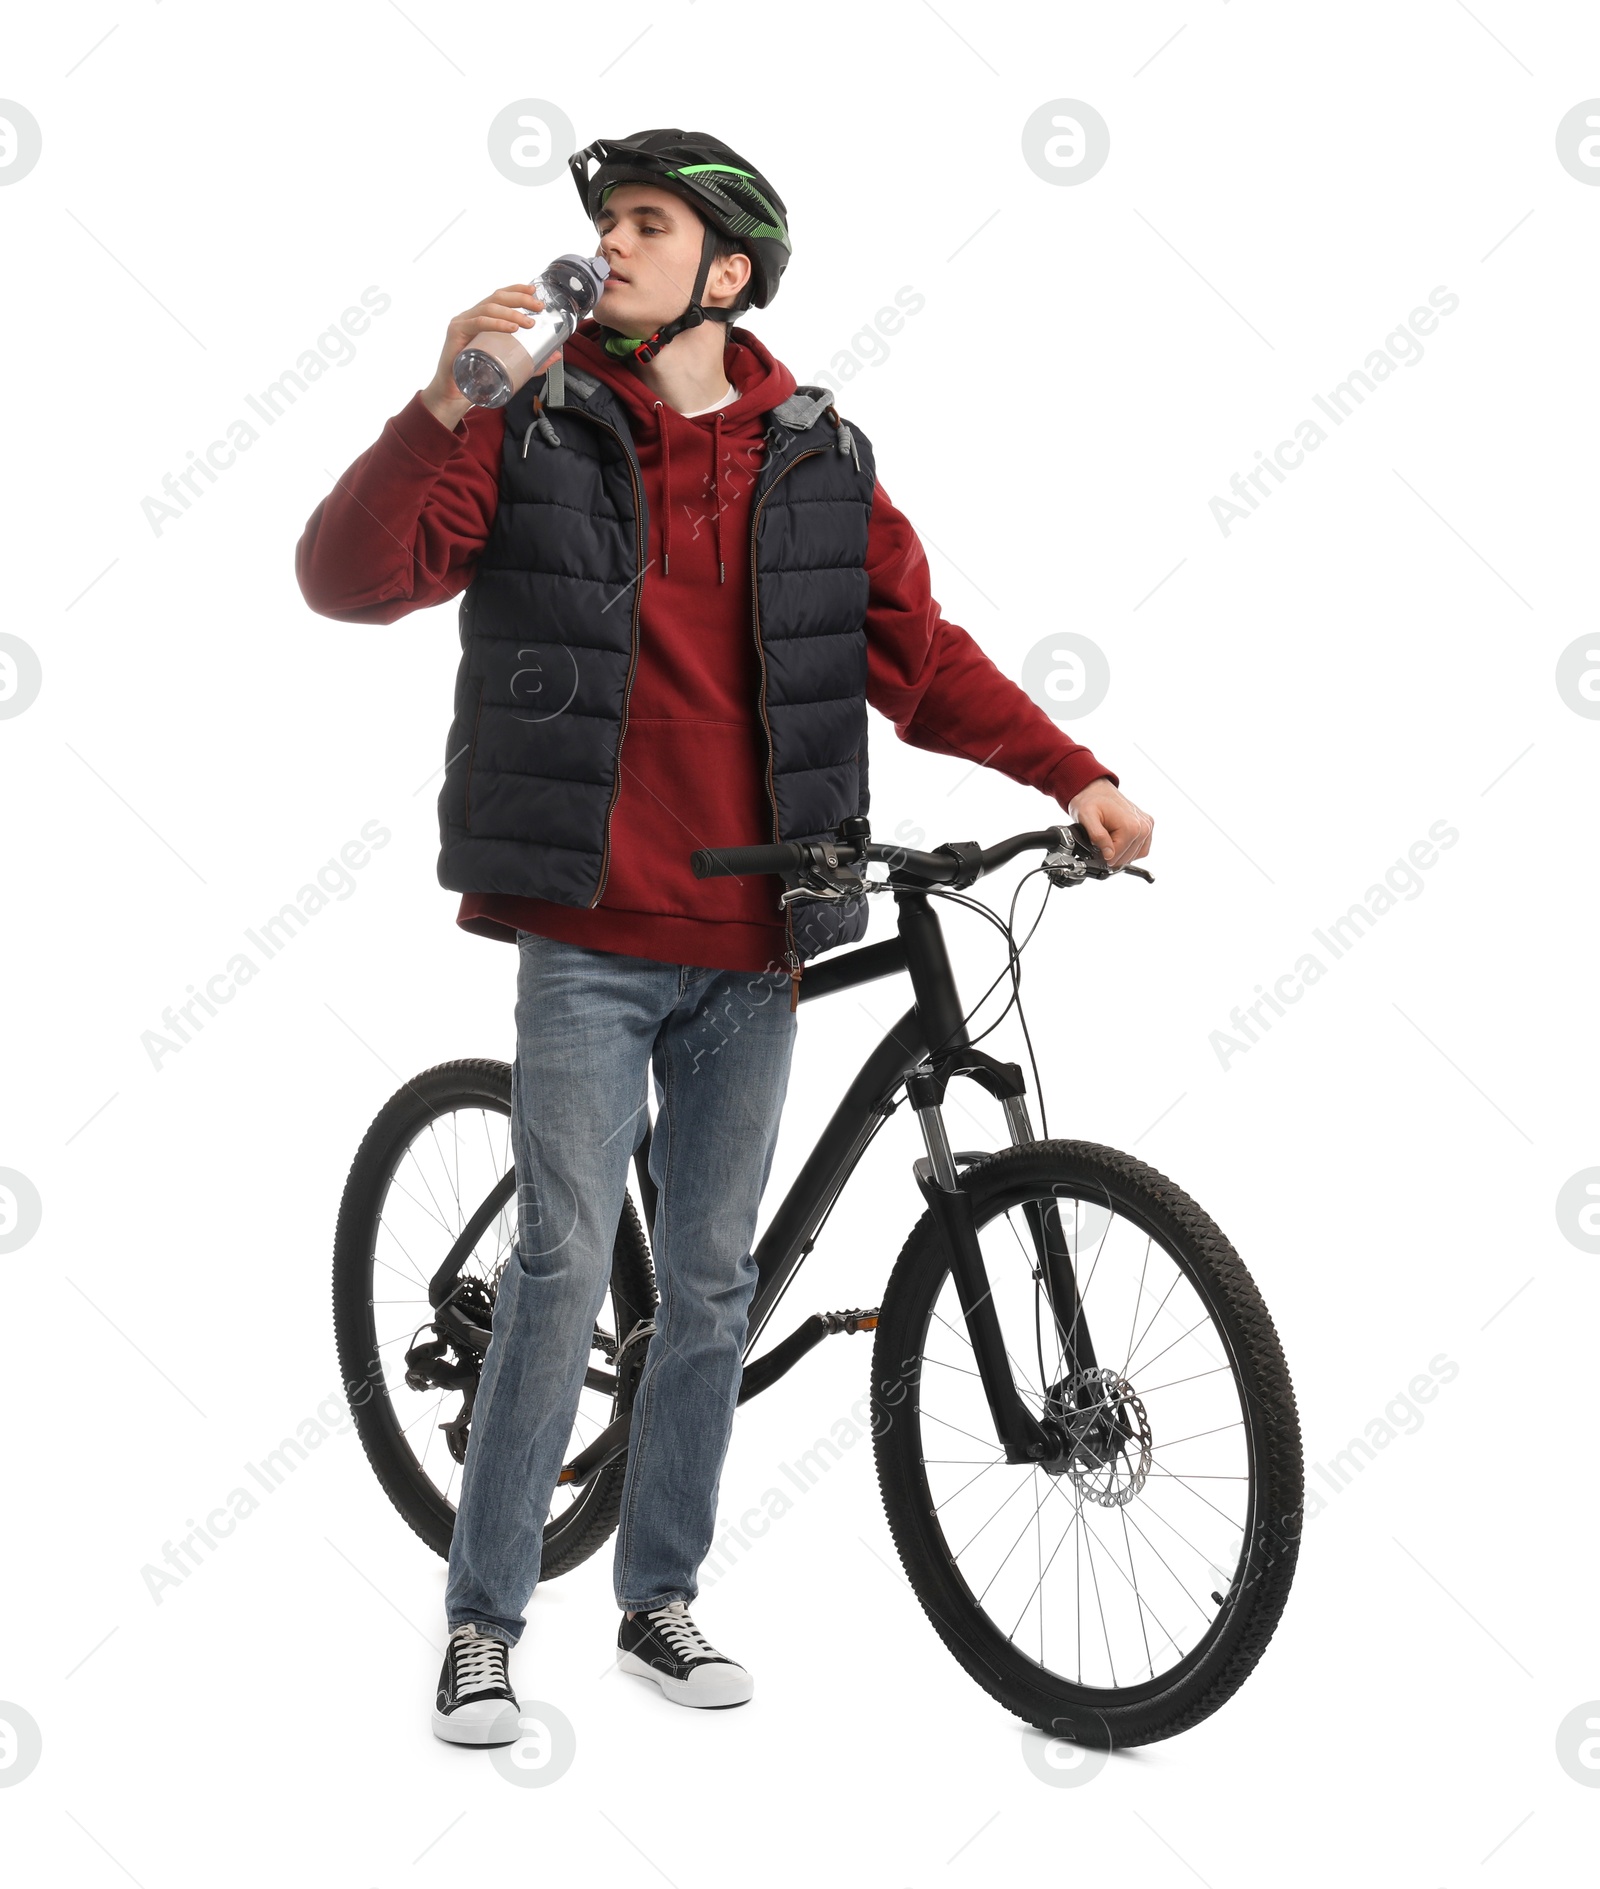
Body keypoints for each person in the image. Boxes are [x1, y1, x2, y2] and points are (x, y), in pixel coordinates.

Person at [295, 127, 1153, 1741]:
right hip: (591, 926)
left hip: (759, 932)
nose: (609, 246)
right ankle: (484, 1618)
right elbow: (345, 580)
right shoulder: (529, 422)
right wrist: (439, 407)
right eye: (605, 222)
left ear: (730, 272)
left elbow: (924, 654)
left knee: (705, 1287)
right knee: (563, 1271)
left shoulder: (817, 454)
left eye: (645, 224)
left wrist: (1076, 771)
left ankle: (659, 1597)